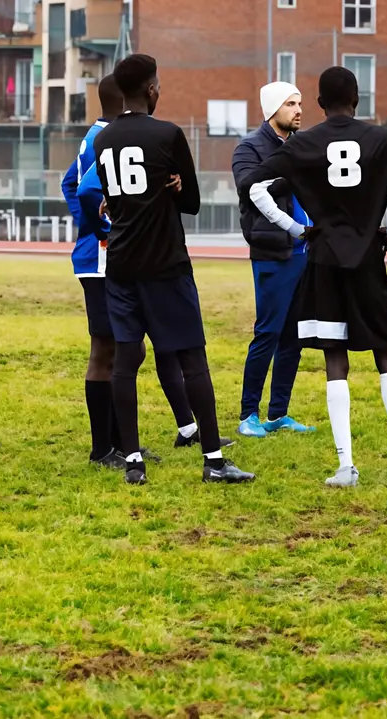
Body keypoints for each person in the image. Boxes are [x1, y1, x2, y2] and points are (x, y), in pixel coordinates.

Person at [240, 66, 387, 488]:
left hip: (324, 261)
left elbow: (254, 185)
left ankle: (345, 467)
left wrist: (296, 229)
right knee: (385, 353)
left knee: (336, 359)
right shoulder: (381, 139)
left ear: (317, 103)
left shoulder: (305, 144)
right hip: (369, 257)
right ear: (358, 98)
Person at [89, 55, 252, 485]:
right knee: (192, 359)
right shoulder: (168, 134)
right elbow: (193, 203)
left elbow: (113, 198)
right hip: (165, 263)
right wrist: (175, 190)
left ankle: (132, 463)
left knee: (125, 362)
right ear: (150, 90)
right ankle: (214, 460)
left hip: (121, 264)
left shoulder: (104, 141)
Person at [59, 74, 210, 468]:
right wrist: (102, 229)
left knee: (131, 350)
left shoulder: (102, 134)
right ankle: (105, 449)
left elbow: (69, 182)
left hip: (115, 255)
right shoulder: (107, 137)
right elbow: (82, 189)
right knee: (109, 351)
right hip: (106, 257)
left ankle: (134, 441)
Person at [232, 81, 313, 438]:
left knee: (294, 337)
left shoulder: (301, 145)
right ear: (272, 109)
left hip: (305, 254)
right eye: (290, 104)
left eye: (299, 103)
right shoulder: (249, 148)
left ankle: (278, 413)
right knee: (267, 332)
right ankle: (248, 414)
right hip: (272, 253)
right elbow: (250, 190)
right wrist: (289, 173)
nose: (298, 110)